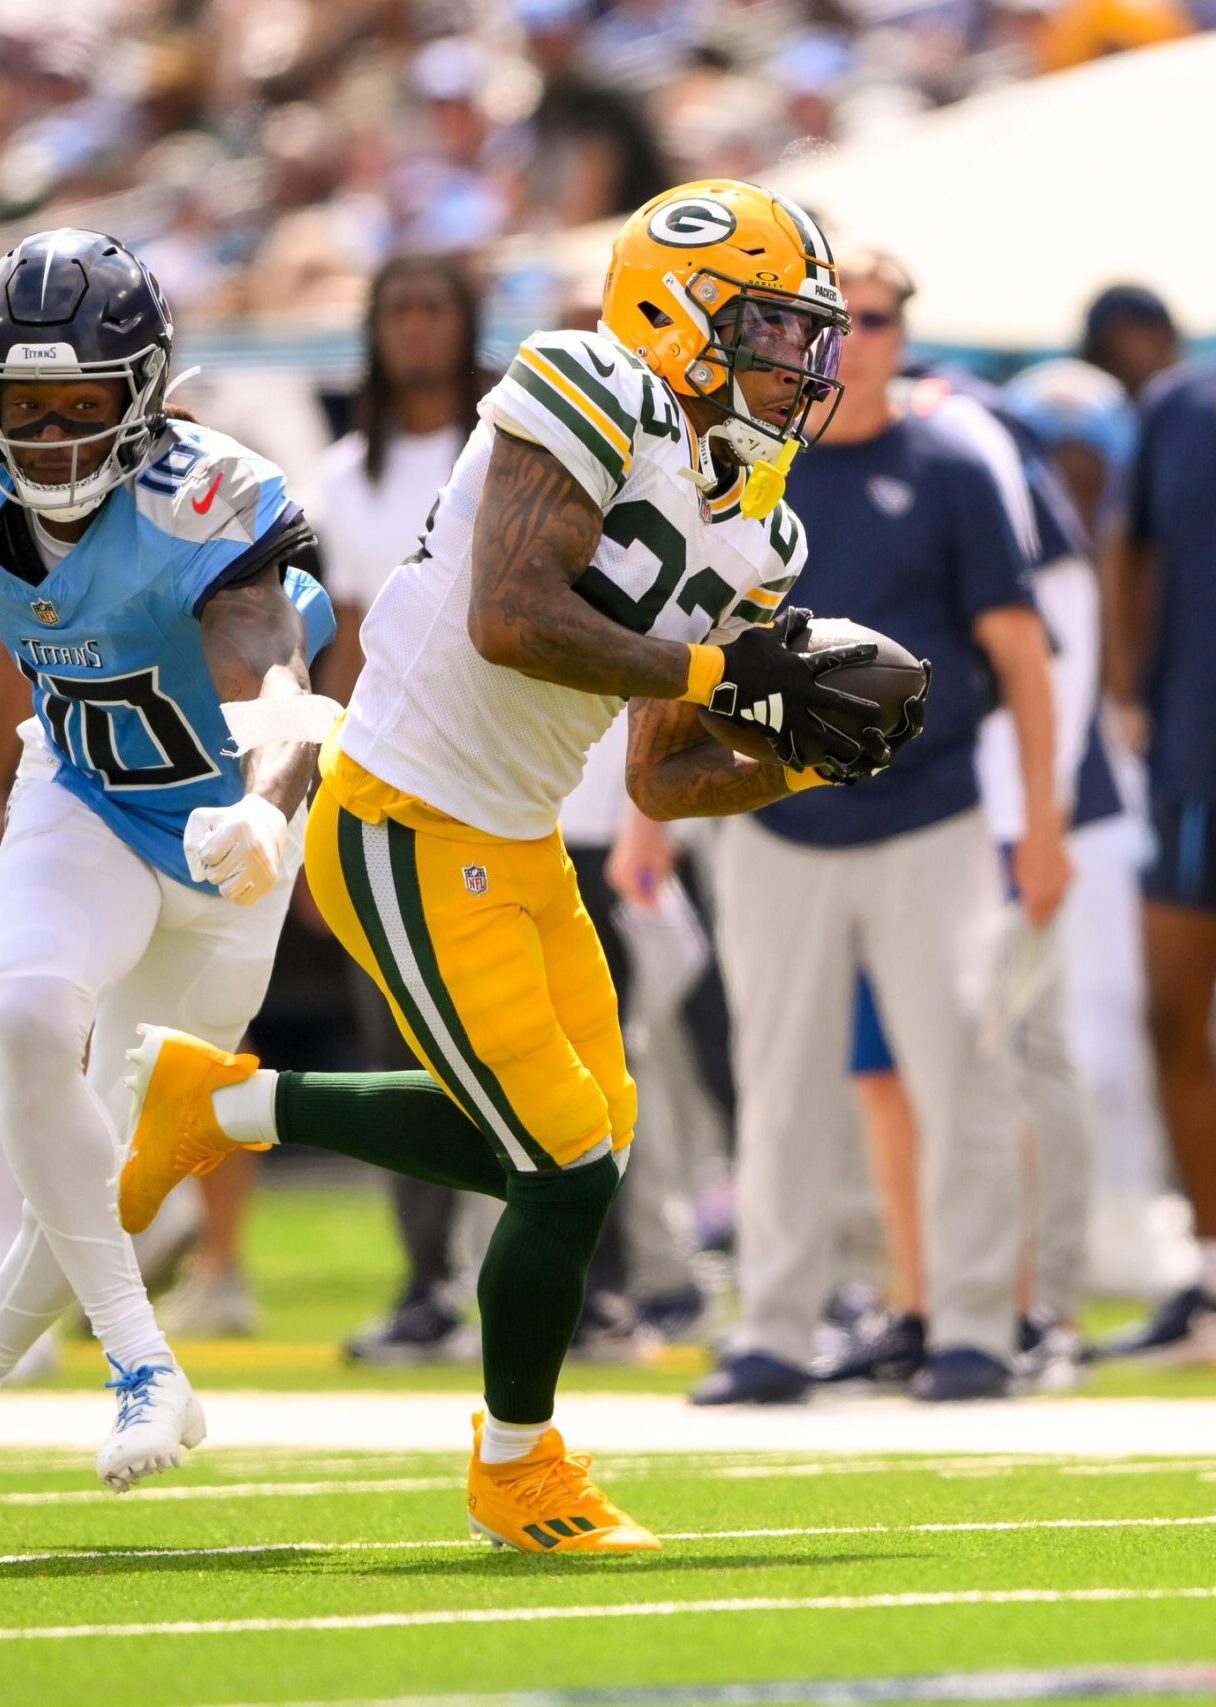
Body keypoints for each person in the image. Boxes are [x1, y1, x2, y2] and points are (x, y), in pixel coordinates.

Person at [118, 179, 924, 1552]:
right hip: (403, 810)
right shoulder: (585, 381)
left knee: (583, 1144)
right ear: (679, 313)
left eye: (811, 334)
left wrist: (797, 756)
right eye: (775, 327)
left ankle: (223, 1103)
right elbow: (512, 617)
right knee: (557, 1151)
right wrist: (735, 669)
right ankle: (518, 1462)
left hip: (522, 834)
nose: (804, 362)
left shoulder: (763, 520)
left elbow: (666, 767)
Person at [692, 248, 1068, 1408]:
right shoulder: (752, 472)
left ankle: (969, 1330)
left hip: (932, 814)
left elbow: (1020, 652)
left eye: (878, 318)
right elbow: (685, 648)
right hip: (771, 812)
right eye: (831, 322)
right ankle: (774, 1330)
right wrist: (659, 819)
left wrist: (1041, 823)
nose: (855, 341)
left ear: (908, 328)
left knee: (958, 1072)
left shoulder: (955, 462)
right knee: (780, 1082)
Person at [0, 228, 333, 1490]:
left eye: (79, 403)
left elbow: (280, 675)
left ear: (142, 392)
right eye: (20, 405)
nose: (47, 435)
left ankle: (126, 1361)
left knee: (102, 1183)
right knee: (28, 1017)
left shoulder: (209, 498)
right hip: (81, 799)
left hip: (224, 849)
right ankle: (144, 1361)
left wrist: (265, 810)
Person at [316, 253, 487, 1365]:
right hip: (388, 788)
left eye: (433, 309)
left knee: (548, 1043)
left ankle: (594, 1277)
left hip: (510, 780)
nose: (414, 330)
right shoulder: (342, 475)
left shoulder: (509, 448)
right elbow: (332, 645)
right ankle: (425, 1281)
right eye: (396, 311)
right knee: (404, 1045)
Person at [1100, 351, 1216, 1361]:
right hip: (1194, 760)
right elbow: (1124, 549)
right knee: (1170, 1012)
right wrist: (1129, 690)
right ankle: (1214, 1282)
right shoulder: (1182, 403)